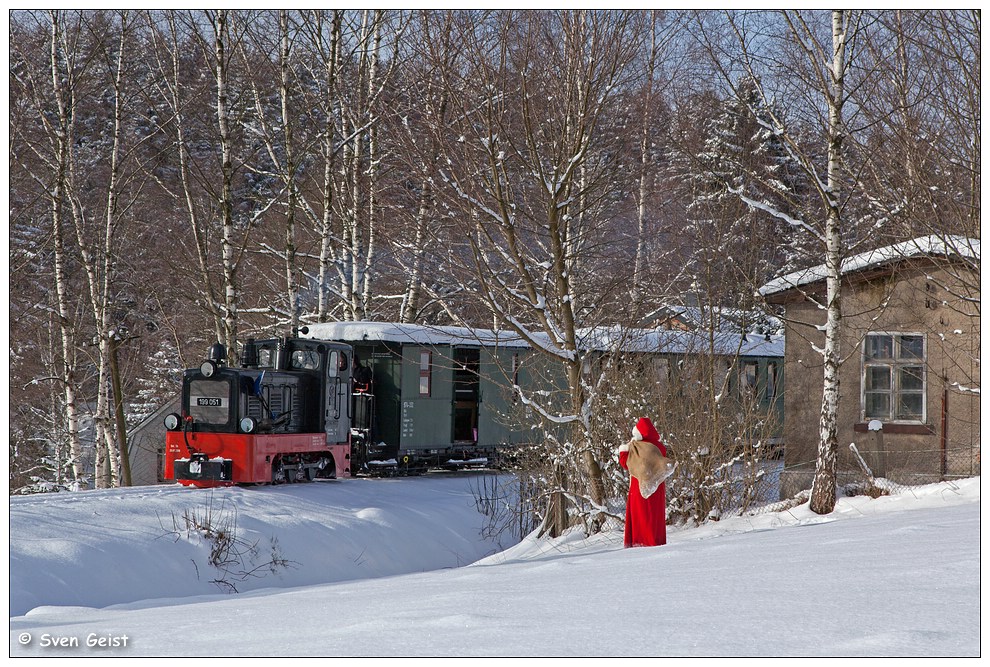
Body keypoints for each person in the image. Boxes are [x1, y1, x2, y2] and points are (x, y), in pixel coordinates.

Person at [618, 417, 669, 547]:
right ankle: (656, 540)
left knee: (641, 515)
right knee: (655, 515)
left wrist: (623, 450)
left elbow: (626, 464)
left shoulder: (639, 447)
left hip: (640, 486)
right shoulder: (659, 447)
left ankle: (641, 541)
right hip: (657, 485)